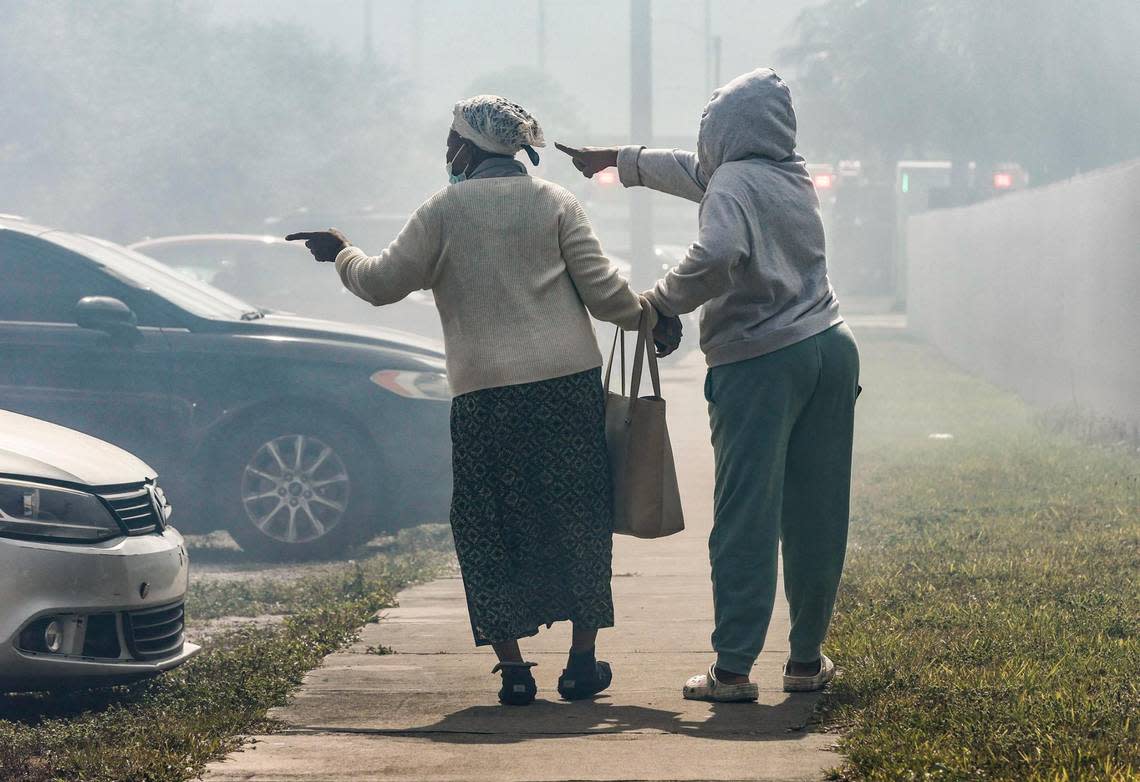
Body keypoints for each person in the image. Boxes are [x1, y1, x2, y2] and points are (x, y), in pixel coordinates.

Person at [287, 95, 652, 706]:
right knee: (578, 516)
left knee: (487, 523)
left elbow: (379, 284)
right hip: (565, 389)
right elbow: (607, 295)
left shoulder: (442, 213)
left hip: (486, 396)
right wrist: (649, 316)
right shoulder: (555, 204)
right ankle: (582, 662)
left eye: (448, 142)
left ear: (464, 148)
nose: (445, 153)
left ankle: (514, 671)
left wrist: (341, 252)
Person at [558, 68, 860, 702]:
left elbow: (719, 253)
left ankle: (733, 670)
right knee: (817, 512)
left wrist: (662, 302)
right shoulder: (788, 173)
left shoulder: (731, 182)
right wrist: (621, 160)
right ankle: (806, 660)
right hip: (831, 349)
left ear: (720, 133)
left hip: (762, 361)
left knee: (746, 516)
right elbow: (694, 173)